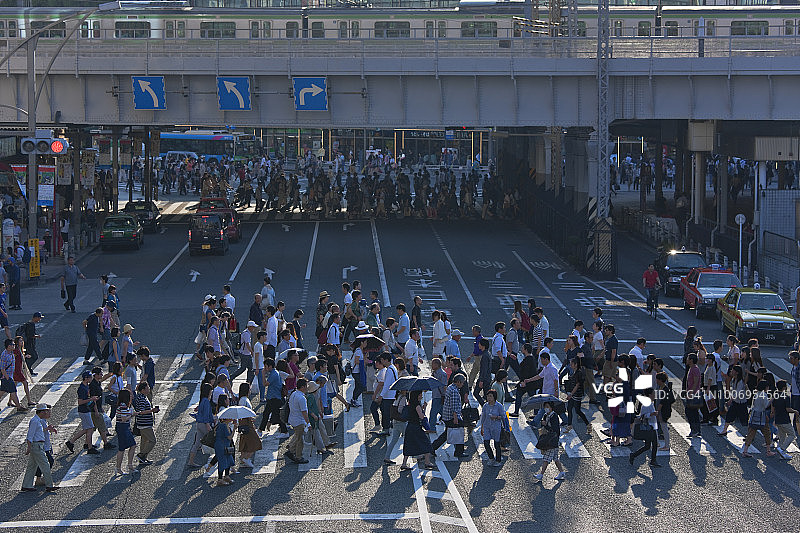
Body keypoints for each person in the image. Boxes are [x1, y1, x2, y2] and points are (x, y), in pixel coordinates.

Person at [20, 403, 59, 493]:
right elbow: (30, 436)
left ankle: (26, 485)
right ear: (41, 412)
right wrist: (29, 448)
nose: (46, 412)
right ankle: (49, 486)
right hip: (36, 446)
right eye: (45, 411)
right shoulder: (35, 421)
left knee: (31, 467)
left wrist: (47, 429)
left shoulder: (38, 420)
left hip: (37, 445)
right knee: (45, 465)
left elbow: (38, 432)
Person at [431, 374, 469, 459]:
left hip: (447, 415)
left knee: (446, 434)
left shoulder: (450, 387)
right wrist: (456, 418)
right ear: (458, 382)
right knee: (459, 432)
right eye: (462, 383)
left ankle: (433, 447)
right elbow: (454, 406)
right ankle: (459, 452)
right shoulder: (455, 391)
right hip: (452, 417)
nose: (463, 384)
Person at [65, 370, 99, 454]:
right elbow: (80, 402)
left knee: (87, 429)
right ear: (86, 378)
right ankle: (89, 448)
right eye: (90, 377)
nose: (92, 378)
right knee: (90, 428)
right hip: (84, 411)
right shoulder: (82, 388)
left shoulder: (86, 386)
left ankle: (75, 443)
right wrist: (91, 399)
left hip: (86, 410)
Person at [400, 390, 435, 470]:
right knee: (426, 443)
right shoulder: (417, 405)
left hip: (410, 427)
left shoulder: (411, 403)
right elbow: (421, 416)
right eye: (420, 395)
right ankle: (427, 462)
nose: (421, 396)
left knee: (408, 445)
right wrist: (424, 409)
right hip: (416, 427)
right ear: (416, 396)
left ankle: (404, 463)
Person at [742, 380, 776, 458]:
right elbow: (766, 405)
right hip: (761, 417)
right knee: (767, 433)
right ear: (765, 387)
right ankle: (768, 451)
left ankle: (745, 451)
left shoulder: (756, 394)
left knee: (751, 433)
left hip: (754, 415)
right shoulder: (764, 395)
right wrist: (772, 399)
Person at [533, 401, 566, 482]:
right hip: (550, 439)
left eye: (548, 406)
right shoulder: (546, 415)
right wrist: (543, 423)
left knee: (546, 458)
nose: (546, 408)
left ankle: (541, 474)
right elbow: (543, 426)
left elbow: (554, 429)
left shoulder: (554, 416)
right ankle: (561, 472)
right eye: (545, 407)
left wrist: (546, 425)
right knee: (555, 458)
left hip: (552, 440)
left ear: (551, 407)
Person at [629, 388, 661, 468]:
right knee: (654, 444)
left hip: (651, 426)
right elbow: (642, 415)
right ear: (649, 395)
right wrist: (651, 414)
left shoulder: (650, 403)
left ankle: (633, 455)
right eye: (653, 393)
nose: (654, 395)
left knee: (647, 446)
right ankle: (653, 460)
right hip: (650, 427)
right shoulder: (647, 404)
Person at [188, 383, 214, 468]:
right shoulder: (206, 401)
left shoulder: (202, 400)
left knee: (197, 444)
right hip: (204, 424)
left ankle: (191, 461)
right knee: (214, 441)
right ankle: (213, 463)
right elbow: (206, 414)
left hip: (199, 424)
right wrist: (208, 425)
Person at [285, 378, 310, 464]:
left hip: (292, 419)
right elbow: (304, 412)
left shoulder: (294, 394)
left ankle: (291, 449)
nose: (307, 388)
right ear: (302, 387)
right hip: (299, 421)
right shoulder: (302, 398)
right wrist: (308, 423)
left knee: (297, 436)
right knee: (300, 440)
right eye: (306, 386)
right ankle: (298, 456)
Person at [133, 382, 159, 465]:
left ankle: (143, 459)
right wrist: (152, 410)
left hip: (143, 423)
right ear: (143, 390)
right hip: (144, 423)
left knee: (144, 441)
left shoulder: (142, 396)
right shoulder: (141, 398)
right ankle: (141, 455)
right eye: (147, 388)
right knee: (152, 441)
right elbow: (140, 411)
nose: (148, 389)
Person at [89, 367, 115, 450]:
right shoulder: (93, 385)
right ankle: (106, 443)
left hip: (98, 408)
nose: (102, 375)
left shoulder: (97, 383)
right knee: (102, 428)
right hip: (95, 410)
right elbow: (93, 398)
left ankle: (86, 443)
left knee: (92, 428)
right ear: (95, 375)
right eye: (100, 374)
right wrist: (96, 410)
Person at [114, 389, 138, 475]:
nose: (132, 396)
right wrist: (132, 414)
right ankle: (118, 468)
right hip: (122, 427)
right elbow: (124, 419)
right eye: (130, 395)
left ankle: (129, 465)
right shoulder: (123, 406)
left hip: (124, 427)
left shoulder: (125, 406)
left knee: (132, 445)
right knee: (122, 448)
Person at [772, 379, 797, 460]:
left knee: (782, 436)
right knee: (792, 434)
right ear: (784, 387)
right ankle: (782, 449)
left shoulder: (776, 395)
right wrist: (795, 411)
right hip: (785, 419)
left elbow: (773, 407)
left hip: (778, 419)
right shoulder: (786, 397)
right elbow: (787, 409)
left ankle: (781, 454)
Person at [480, 389, 505, 467]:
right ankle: (491, 458)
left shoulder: (499, 406)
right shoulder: (485, 406)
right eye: (488, 396)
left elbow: (503, 416)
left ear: (494, 397)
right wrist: (482, 427)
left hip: (496, 427)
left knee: (496, 444)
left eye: (490, 396)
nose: (489, 398)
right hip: (487, 426)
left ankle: (498, 460)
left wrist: (496, 417)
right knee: (486, 443)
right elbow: (483, 416)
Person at [565, 358, 590, 433]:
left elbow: (577, 385)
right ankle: (569, 425)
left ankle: (588, 424)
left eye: (572, 364)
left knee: (577, 410)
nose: (570, 365)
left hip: (577, 394)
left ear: (576, 365)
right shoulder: (574, 371)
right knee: (569, 408)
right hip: (573, 394)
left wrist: (571, 394)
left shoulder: (579, 373)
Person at [384, 390, 408, 466]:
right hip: (401, 422)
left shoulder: (398, 397)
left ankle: (387, 457)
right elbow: (400, 409)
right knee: (410, 439)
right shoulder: (403, 398)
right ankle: (418, 456)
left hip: (395, 421)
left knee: (393, 440)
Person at [214, 414, 236, 486]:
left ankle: (226, 476)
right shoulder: (223, 425)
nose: (232, 418)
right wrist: (234, 429)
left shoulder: (225, 425)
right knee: (222, 462)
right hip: (221, 446)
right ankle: (219, 480)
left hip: (225, 445)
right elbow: (229, 437)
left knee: (228, 461)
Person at [12, 337, 34, 408]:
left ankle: (9, 401)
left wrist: (25, 356)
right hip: (17, 371)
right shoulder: (16, 350)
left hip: (18, 370)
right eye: (20, 341)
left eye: (22, 341)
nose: (22, 342)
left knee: (13, 386)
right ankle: (29, 401)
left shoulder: (18, 349)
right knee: (25, 383)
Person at [655, 372, 674, 452]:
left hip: (663, 412)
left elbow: (662, 402)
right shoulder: (661, 388)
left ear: (660, 380)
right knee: (658, 427)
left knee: (664, 428)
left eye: (657, 379)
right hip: (660, 411)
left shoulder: (665, 389)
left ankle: (667, 445)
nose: (656, 380)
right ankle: (657, 443)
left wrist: (657, 411)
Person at [429, 357, 448, 426]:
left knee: (433, 412)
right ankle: (449, 420)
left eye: (433, 364)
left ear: (437, 365)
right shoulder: (435, 373)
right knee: (441, 410)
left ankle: (431, 427)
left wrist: (443, 395)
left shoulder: (442, 374)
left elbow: (443, 385)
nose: (432, 366)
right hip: (436, 395)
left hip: (438, 395)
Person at [473, 338, 491, 406]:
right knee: (487, 395)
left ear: (483, 345)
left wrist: (481, 380)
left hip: (484, 379)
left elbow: (484, 369)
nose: (478, 345)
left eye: (479, 344)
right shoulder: (487, 354)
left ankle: (484, 406)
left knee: (476, 393)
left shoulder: (485, 356)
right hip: (487, 378)